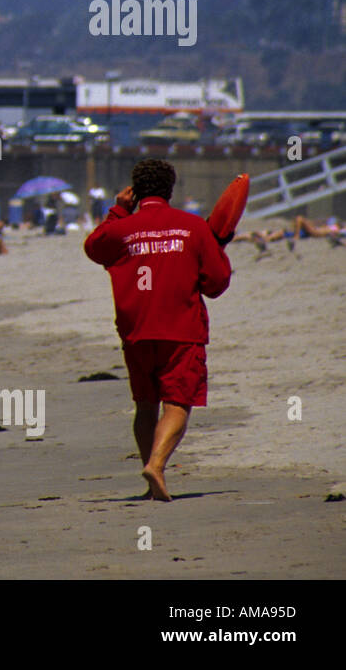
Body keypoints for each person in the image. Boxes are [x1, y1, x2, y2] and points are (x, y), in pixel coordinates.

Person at [83, 159, 232, 501]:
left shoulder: (122, 228)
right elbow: (217, 284)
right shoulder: (193, 227)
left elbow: (94, 247)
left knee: (146, 405)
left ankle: (151, 473)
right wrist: (218, 245)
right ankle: (157, 466)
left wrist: (119, 212)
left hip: (136, 330)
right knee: (177, 405)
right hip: (181, 330)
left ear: (135, 191)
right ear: (170, 189)